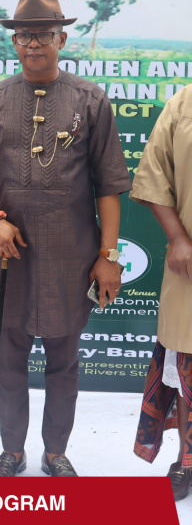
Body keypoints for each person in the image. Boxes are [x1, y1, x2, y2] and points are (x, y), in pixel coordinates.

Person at [0, 0, 132, 477]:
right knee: (8, 358)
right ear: (14, 42)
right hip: (7, 251)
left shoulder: (89, 99)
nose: (33, 43)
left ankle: (56, 452)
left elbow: (109, 185)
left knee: (63, 359)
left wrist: (108, 256)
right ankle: (12, 451)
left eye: (43, 34)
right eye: (24, 35)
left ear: (62, 39)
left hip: (70, 252)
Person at [131, 85, 192, 500]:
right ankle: (188, 461)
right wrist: (177, 238)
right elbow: (153, 174)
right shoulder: (184, 103)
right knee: (187, 362)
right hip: (190, 262)